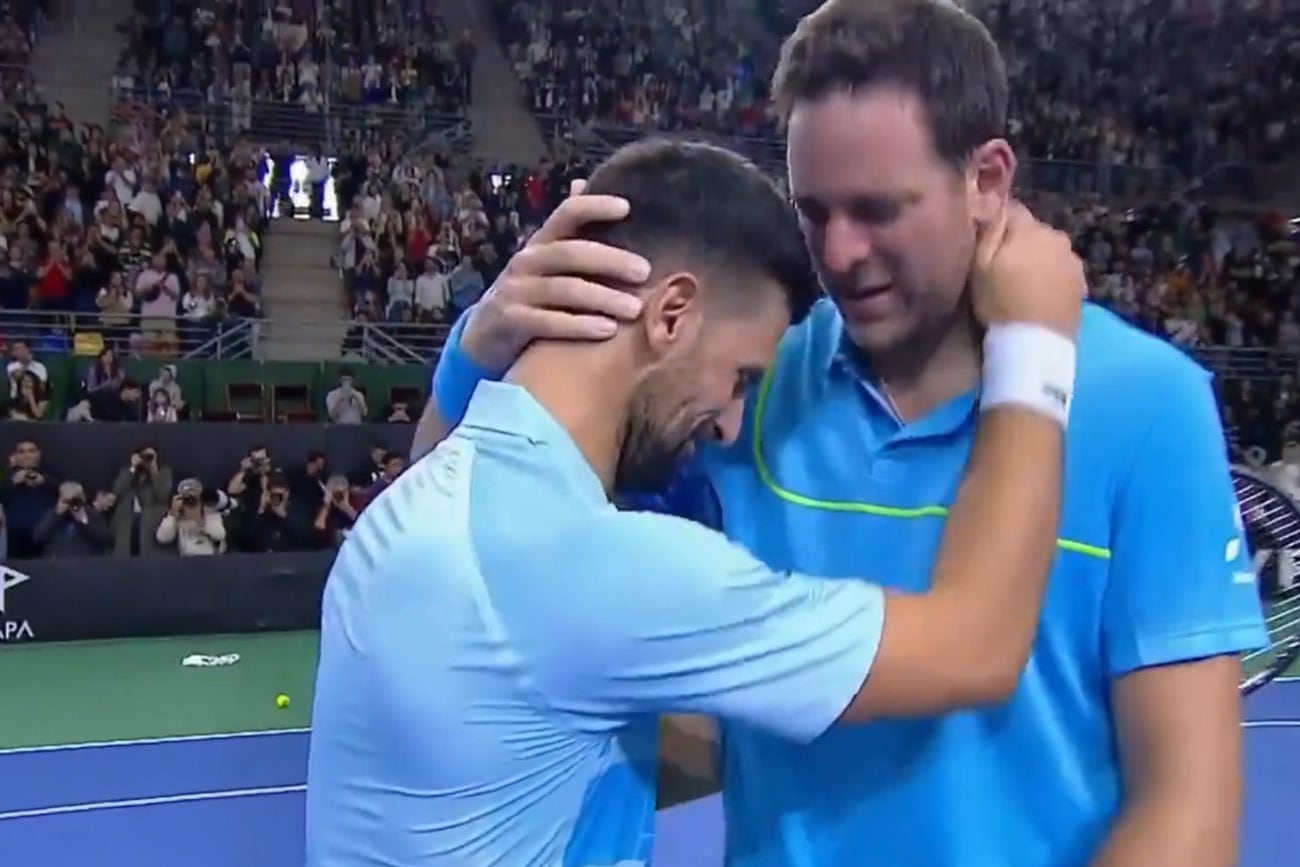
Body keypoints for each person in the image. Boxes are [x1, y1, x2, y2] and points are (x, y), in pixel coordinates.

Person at [413, 2, 1269, 865]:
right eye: (815, 212)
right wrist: (476, 349)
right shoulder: (748, 388)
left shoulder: (1148, 402)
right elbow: (458, 545)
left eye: (878, 208)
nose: (843, 252)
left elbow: (1186, 810)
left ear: (987, 180)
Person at [308, 138, 1085, 865]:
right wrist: (1034, 346)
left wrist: (477, 343)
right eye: (741, 377)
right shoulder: (590, 566)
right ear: (670, 314)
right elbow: (975, 649)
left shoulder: (423, 508)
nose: (729, 423)